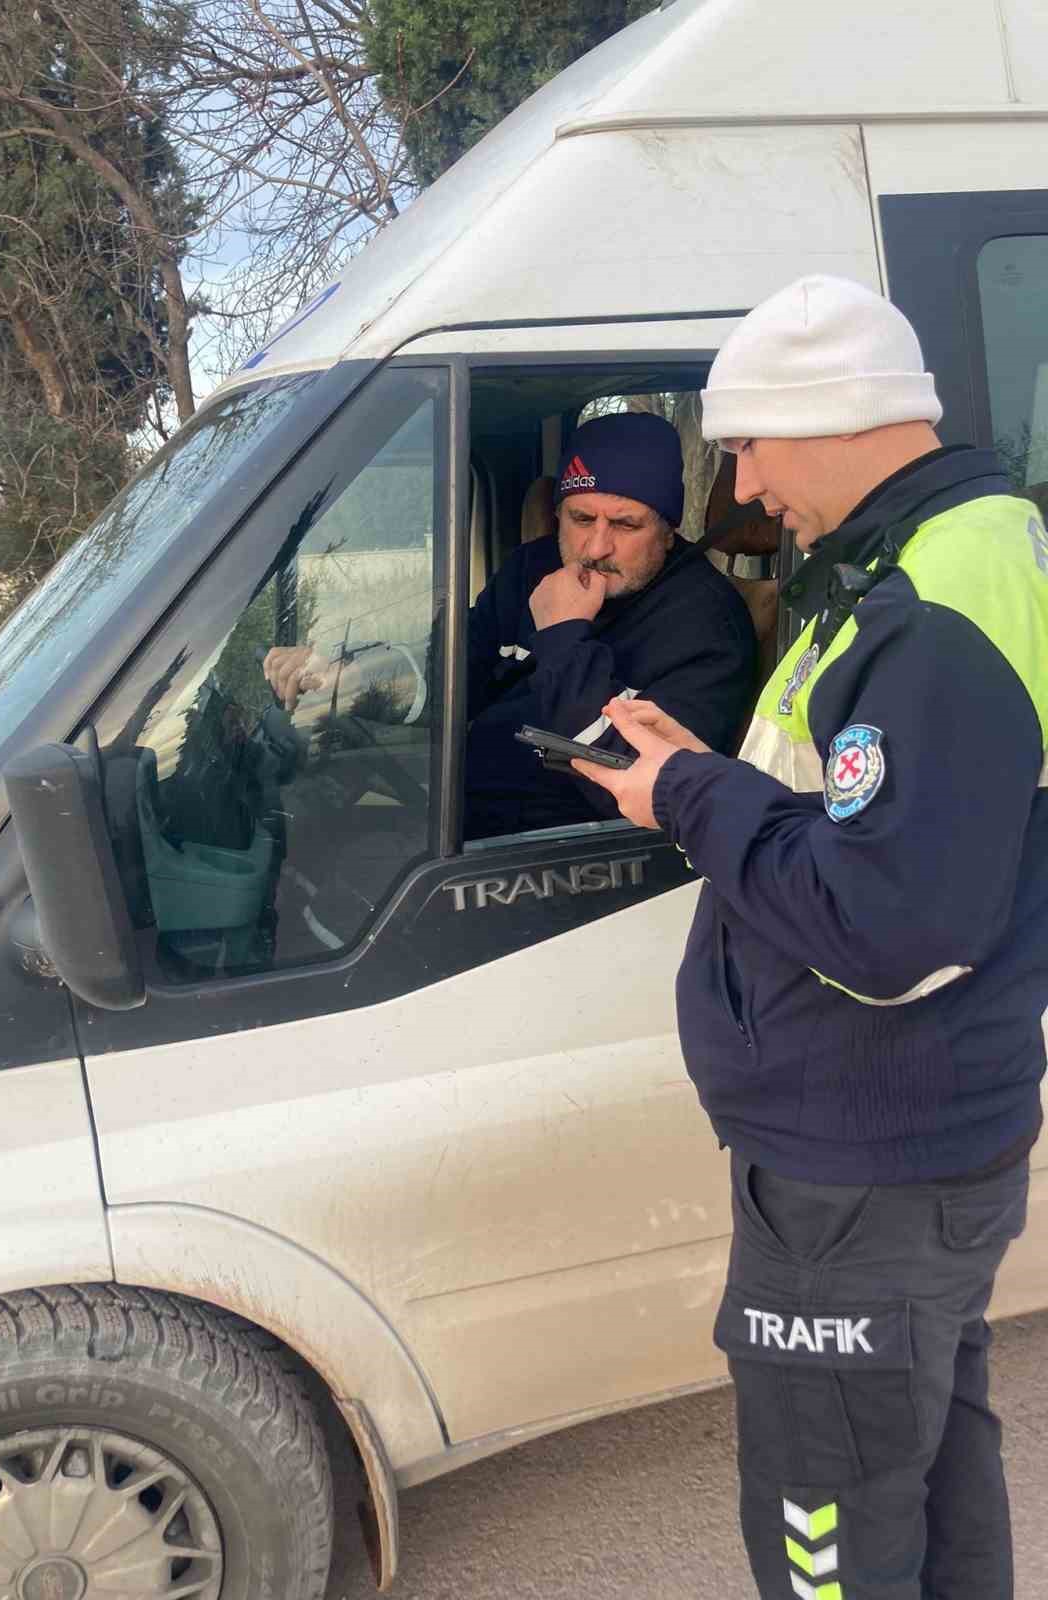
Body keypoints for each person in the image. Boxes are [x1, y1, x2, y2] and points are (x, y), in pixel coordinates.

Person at [576, 275, 1048, 1600]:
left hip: (863, 1166)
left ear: (828, 416)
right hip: (897, 1142)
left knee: (824, 1526)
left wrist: (683, 793)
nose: (740, 484)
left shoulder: (931, 605)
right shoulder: (918, 564)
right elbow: (855, 822)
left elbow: (885, 926)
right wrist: (702, 775)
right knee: (930, 1466)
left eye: (747, 445)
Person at [267, 410, 757, 840]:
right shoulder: (535, 567)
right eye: (581, 519)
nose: (595, 548)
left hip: (566, 855)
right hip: (464, 813)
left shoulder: (708, 627)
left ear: (668, 532)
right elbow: (453, 667)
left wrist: (564, 636)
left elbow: (640, 783)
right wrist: (347, 673)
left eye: (625, 525)